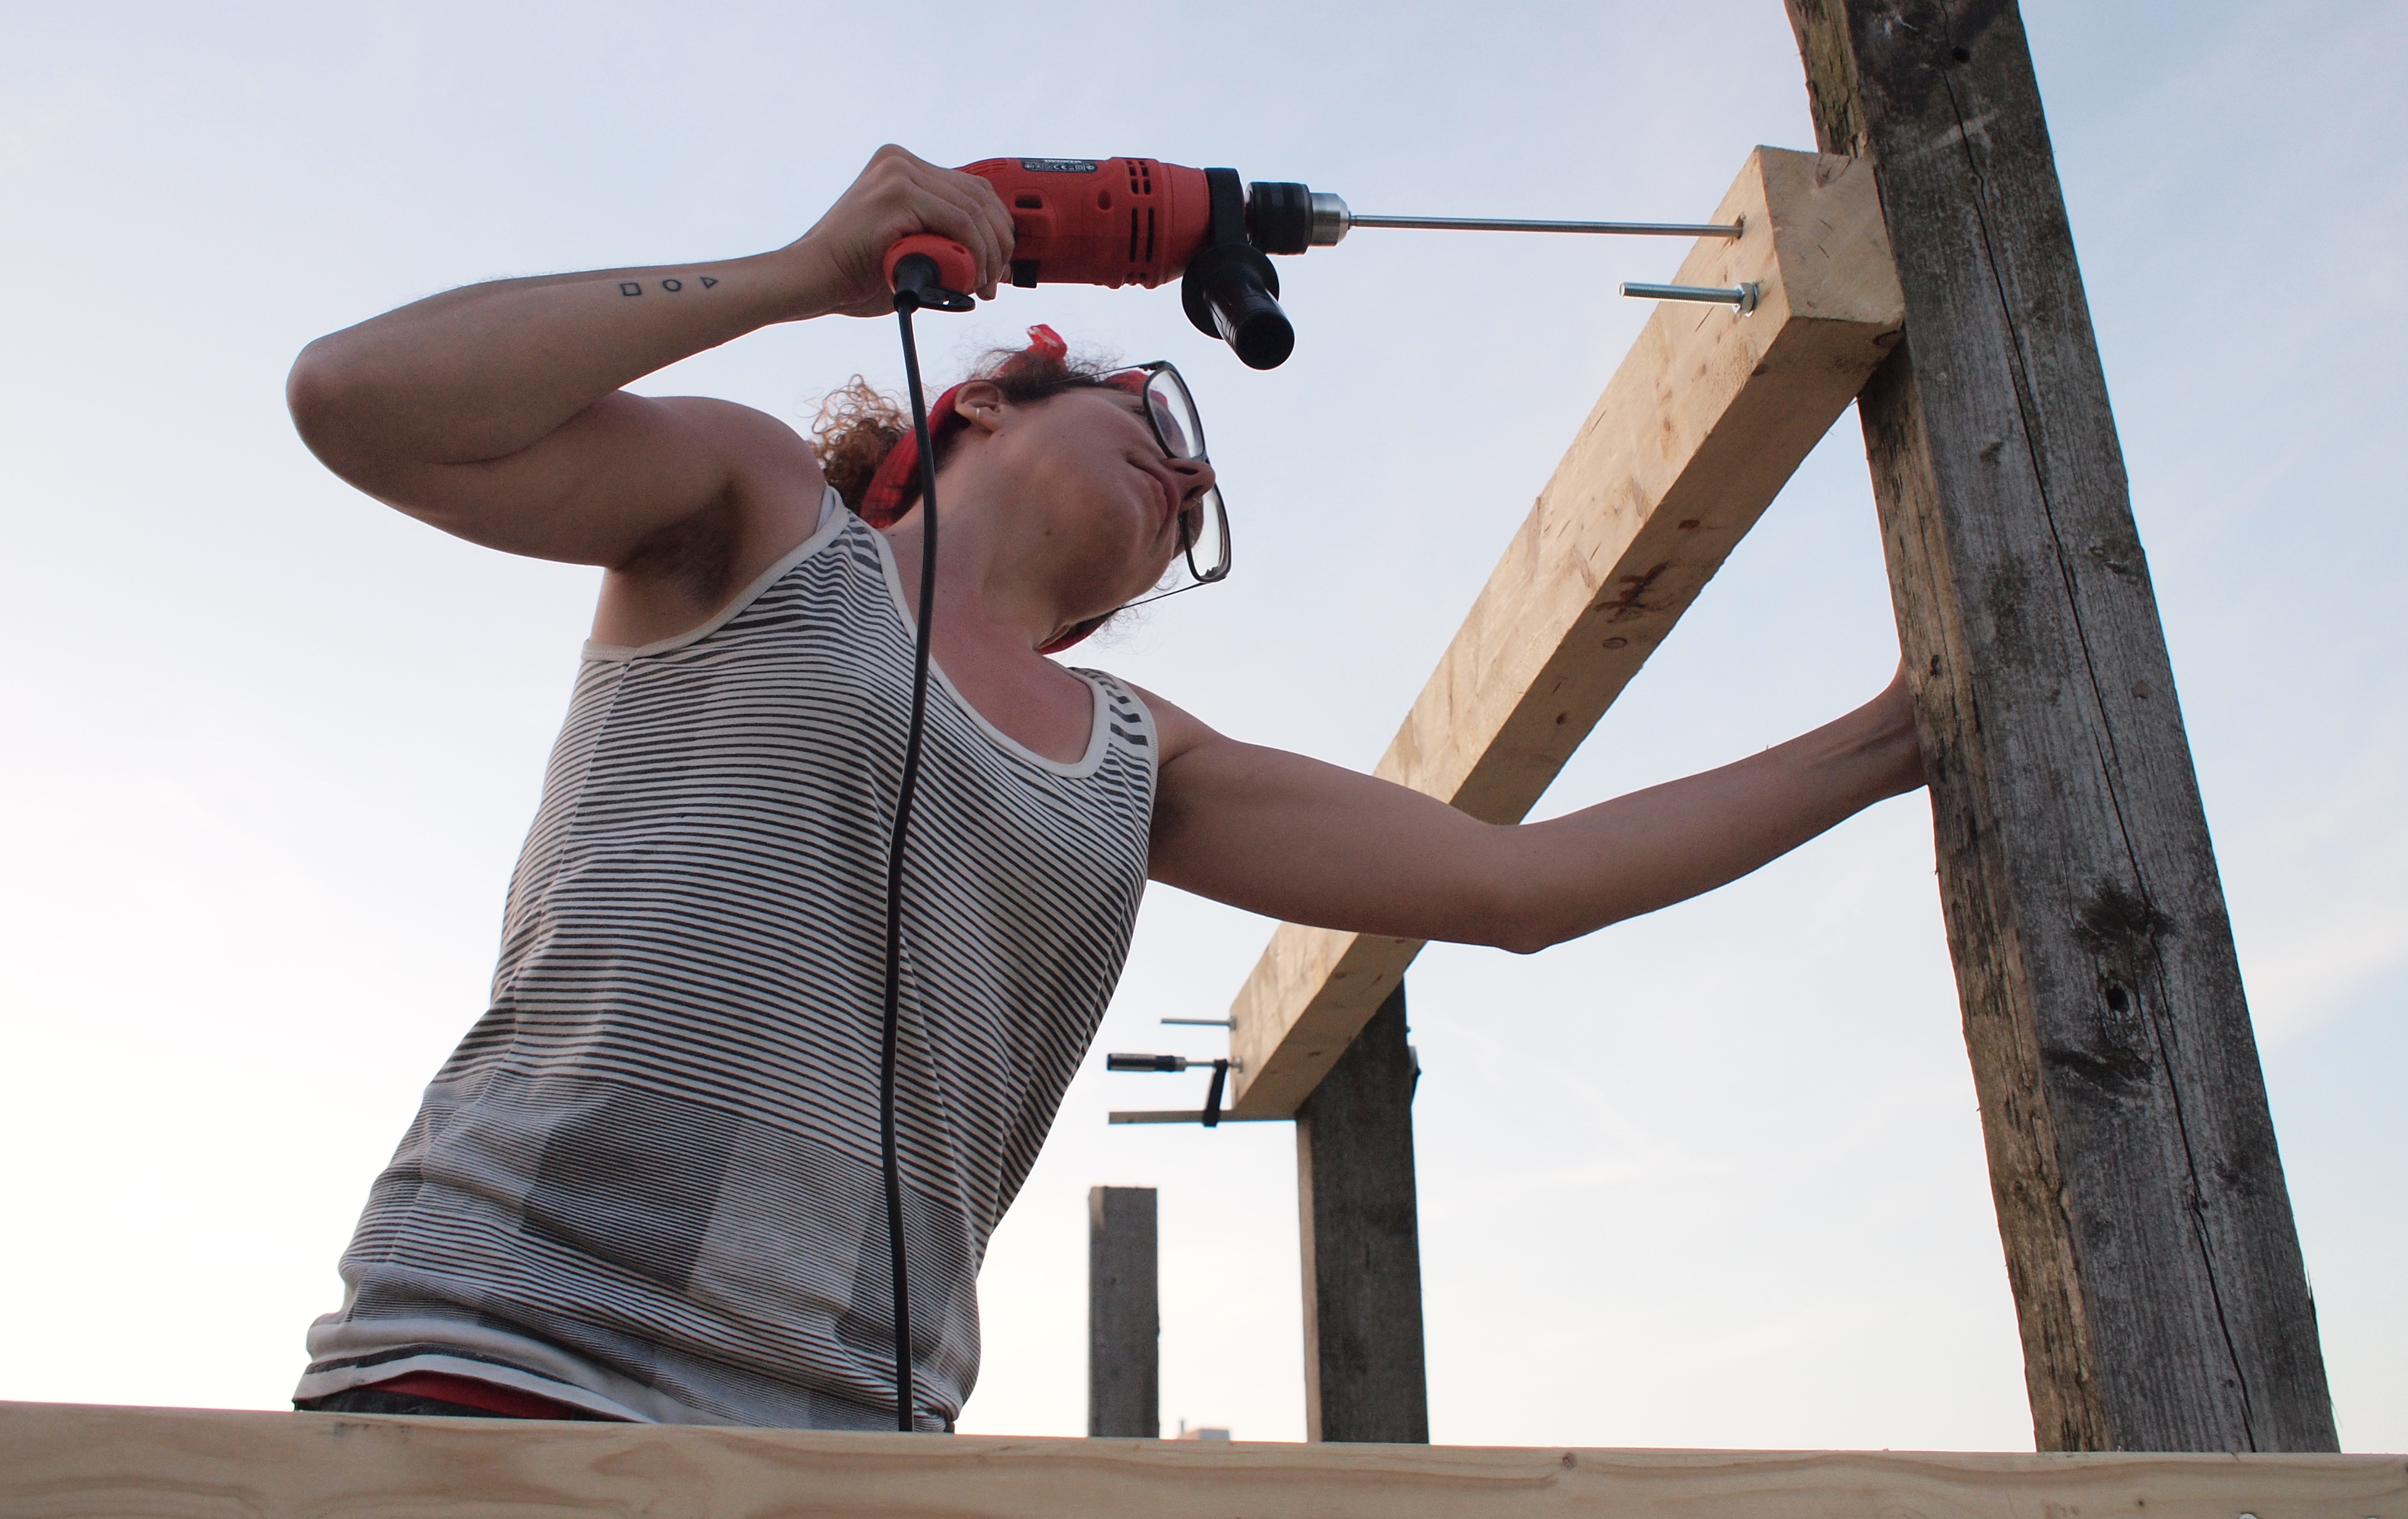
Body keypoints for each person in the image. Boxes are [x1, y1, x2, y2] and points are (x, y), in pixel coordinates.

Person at [283, 143, 1926, 1429]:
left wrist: (1894, 736)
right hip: (502, 1355)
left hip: (848, 1457)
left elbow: (1525, 887)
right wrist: (802, 273)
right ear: (983, 401)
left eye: (1199, 503)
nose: (1188, 473)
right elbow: (364, 401)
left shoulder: (1137, 750)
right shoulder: (758, 514)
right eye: (1154, 411)